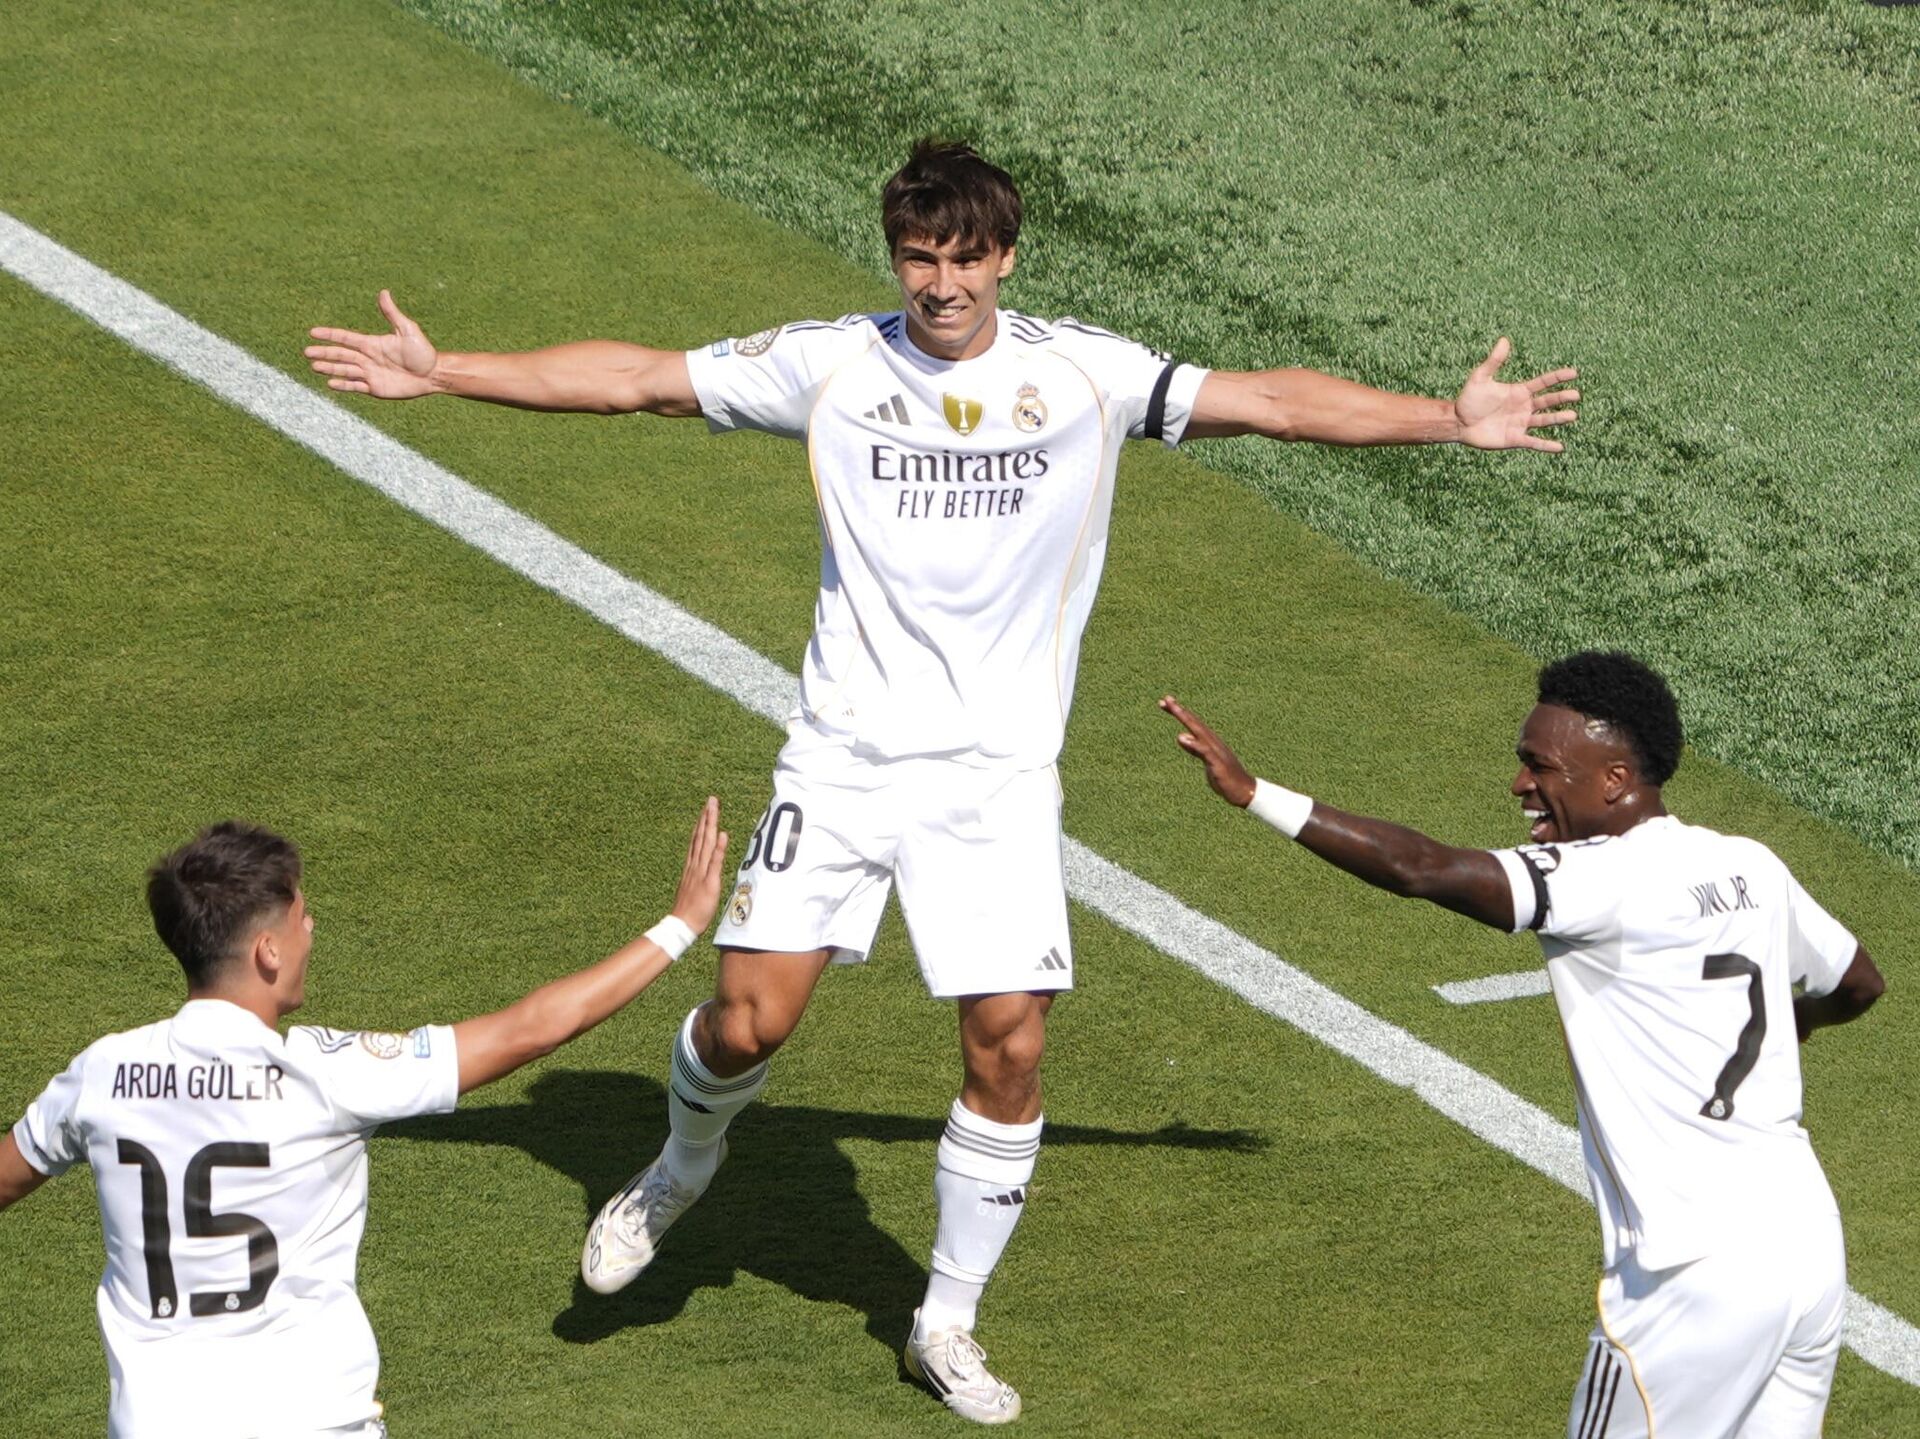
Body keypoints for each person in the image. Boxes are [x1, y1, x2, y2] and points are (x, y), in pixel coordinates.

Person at [303, 138, 1579, 1424]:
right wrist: (444, 370)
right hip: (843, 756)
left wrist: (1448, 418)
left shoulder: (1083, 373)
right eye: (920, 258)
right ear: (895, 256)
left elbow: (1273, 400)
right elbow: (640, 380)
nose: (942, 284)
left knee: (1009, 1044)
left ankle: (944, 1321)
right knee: (747, 1022)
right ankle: (681, 1165)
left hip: (996, 779)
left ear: (1007, 257)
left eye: (966, 259)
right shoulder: (833, 364)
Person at [1161, 651, 1884, 1438]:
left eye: (1540, 766)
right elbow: (1859, 982)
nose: (1519, 784)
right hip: (1806, 1246)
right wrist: (1794, 1022)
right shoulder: (1749, 864)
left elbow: (1421, 868)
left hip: (1690, 1277)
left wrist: (1254, 792)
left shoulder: (1602, 878)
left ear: (1614, 779)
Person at [0, 798, 727, 1439]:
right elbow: (530, 1029)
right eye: (300, 914)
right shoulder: (322, 1073)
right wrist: (680, 925)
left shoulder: (102, 1073)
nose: (311, 926)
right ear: (267, 950)